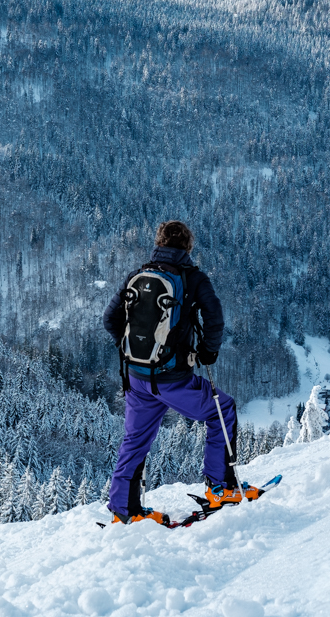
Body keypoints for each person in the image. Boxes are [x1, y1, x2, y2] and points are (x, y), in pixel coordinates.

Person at [102, 220, 256, 523]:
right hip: (172, 380)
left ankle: (124, 509)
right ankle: (221, 488)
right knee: (221, 411)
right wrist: (208, 351)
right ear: (188, 246)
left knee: (134, 440)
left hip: (136, 377)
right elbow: (215, 316)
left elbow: (110, 319)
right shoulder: (193, 278)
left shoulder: (138, 275)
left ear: (159, 243)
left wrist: (136, 351)